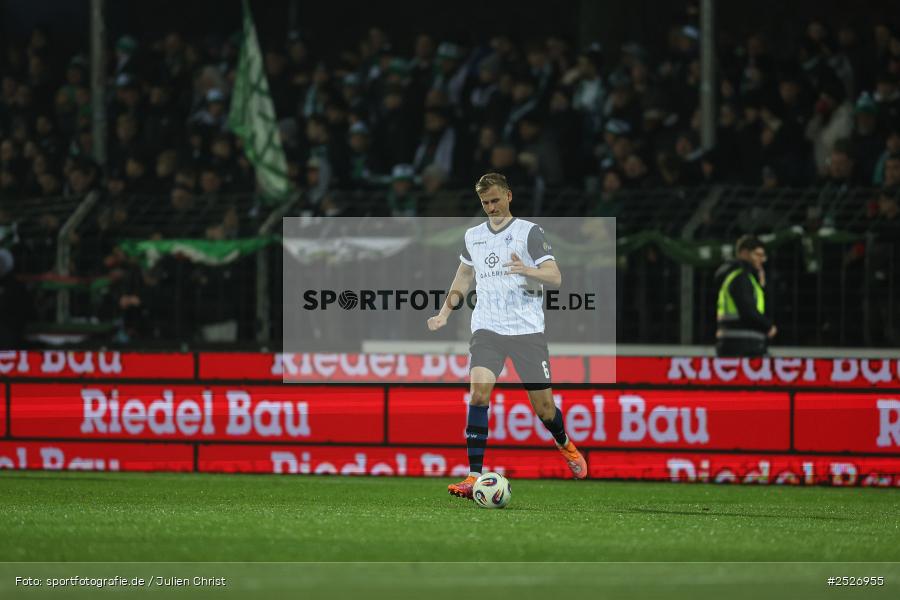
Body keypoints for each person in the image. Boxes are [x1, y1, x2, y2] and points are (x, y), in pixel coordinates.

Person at [427, 172, 587, 500]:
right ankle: (474, 475)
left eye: (496, 200)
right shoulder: (474, 236)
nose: (491, 207)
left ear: (509, 196)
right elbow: (463, 277)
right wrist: (444, 312)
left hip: (527, 331)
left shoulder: (529, 232)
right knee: (478, 395)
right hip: (486, 329)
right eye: (485, 203)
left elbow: (555, 276)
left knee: (544, 409)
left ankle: (564, 442)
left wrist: (527, 270)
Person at [714, 235, 776, 357]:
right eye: (758, 255)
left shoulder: (744, 277)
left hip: (738, 342)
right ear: (744, 253)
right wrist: (767, 326)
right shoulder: (740, 277)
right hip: (742, 344)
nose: (762, 259)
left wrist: (762, 286)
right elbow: (747, 310)